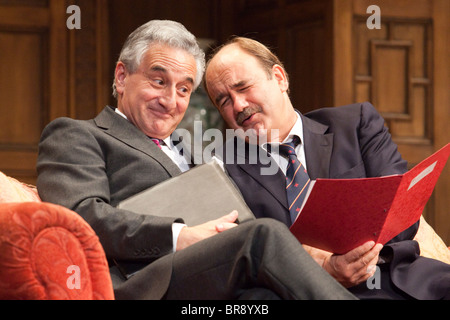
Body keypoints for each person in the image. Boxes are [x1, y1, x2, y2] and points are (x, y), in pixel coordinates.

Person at [36, 20, 356, 300]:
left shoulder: (198, 150)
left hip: (222, 275)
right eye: (159, 81)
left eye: (184, 89)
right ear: (122, 77)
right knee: (263, 235)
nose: (170, 100)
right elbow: (81, 217)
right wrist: (180, 236)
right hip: (149, 281)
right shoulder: (77, 134)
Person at [204, 36, 450, 300]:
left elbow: (402, 208)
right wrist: (322, 267)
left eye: (243, 88)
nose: (239, 105)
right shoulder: (222, 170)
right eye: (224, 101)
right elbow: (244, 260)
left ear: (279, 78)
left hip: (402, 277)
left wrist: (359, 255)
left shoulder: (356, 124)